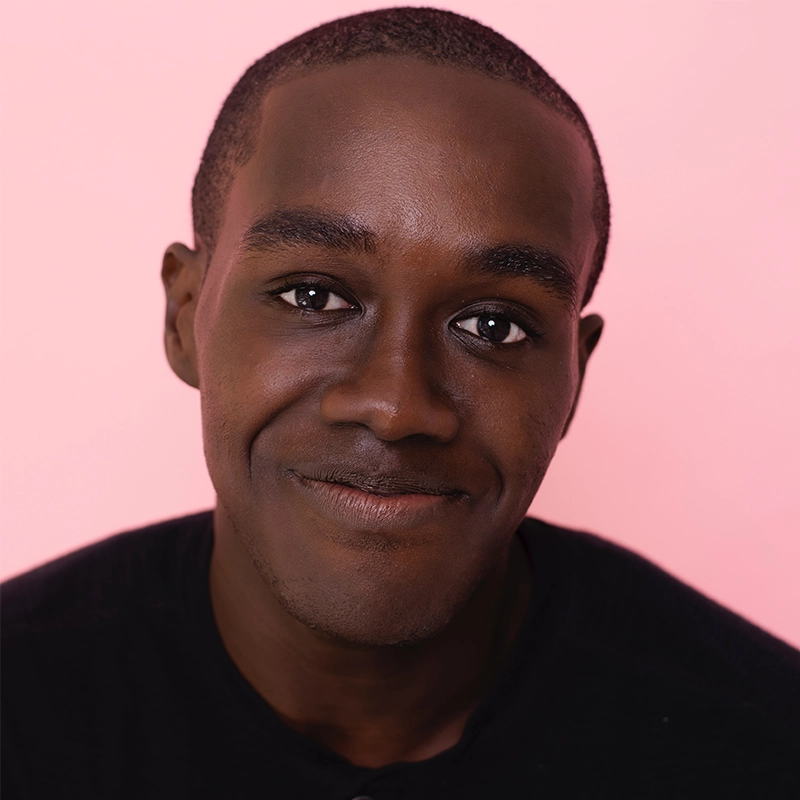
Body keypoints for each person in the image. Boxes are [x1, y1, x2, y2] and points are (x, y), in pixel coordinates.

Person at [2, 7, 798, 798]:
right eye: (313, 296)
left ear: (574, 381)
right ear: (186, 318)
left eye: (494, 325)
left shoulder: (763, 742)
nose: (394, 405)